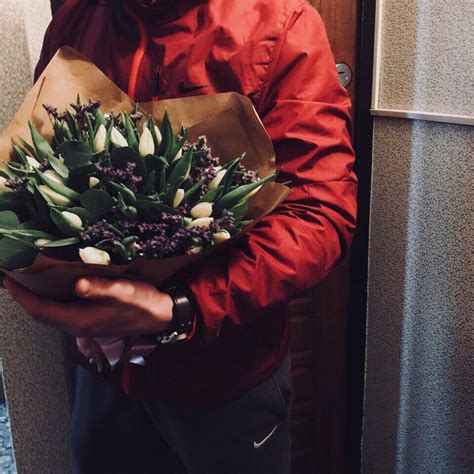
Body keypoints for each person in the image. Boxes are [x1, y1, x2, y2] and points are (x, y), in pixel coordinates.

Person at [4, 0, 357, 472]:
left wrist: (181, 306)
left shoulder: (281, 23)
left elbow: (321, 213)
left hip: (224, 378)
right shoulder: (76, 18)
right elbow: (48, 170)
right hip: (105, 376)